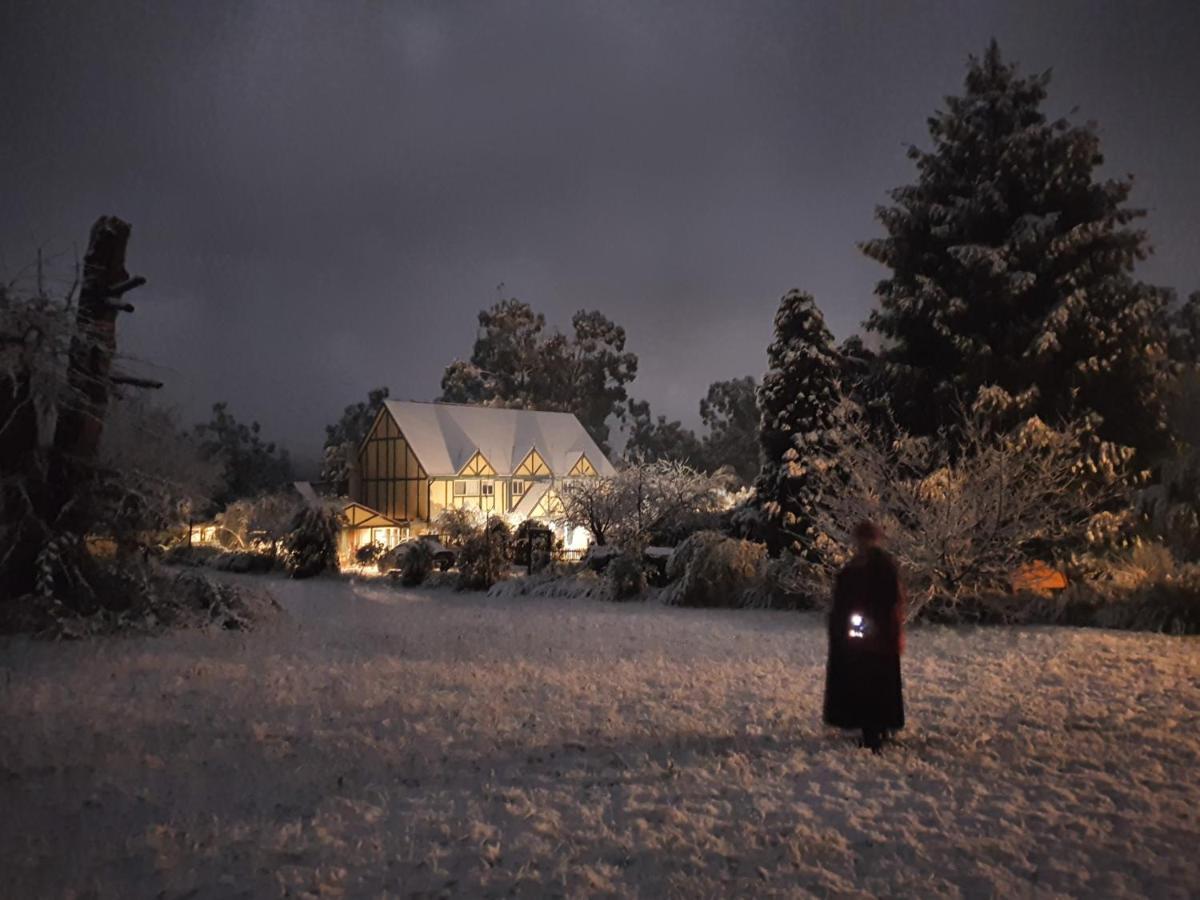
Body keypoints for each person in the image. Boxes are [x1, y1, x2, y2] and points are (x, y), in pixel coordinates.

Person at [823, 520, 906, 753]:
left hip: (873, 636)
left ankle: (874, 730)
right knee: (872, 681)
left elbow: (887, 599)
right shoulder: (865, 565)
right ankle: (873, 726)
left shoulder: (878, 565)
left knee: (873, 682)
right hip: (869, 635)